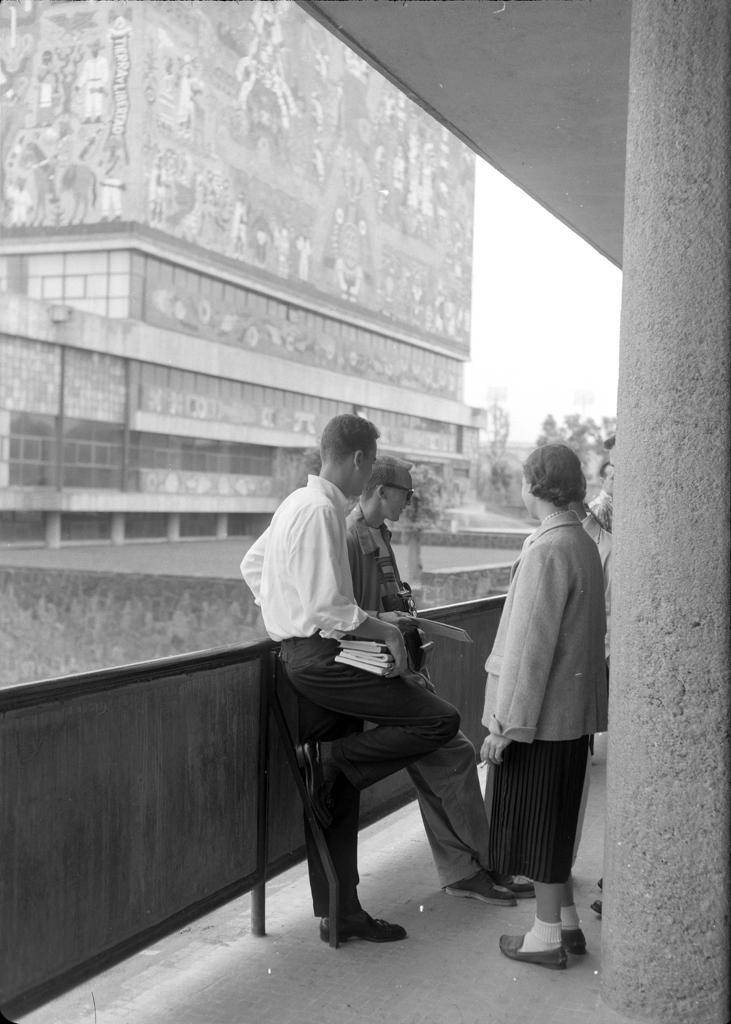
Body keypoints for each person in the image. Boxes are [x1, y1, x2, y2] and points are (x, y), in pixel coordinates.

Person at [240, 414, 461, 945]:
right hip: (321, 660)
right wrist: (384, 631)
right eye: (370, 465)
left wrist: (282, 613)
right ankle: (337, 761)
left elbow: (251, 564)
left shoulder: (297, 503)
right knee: (440, 719)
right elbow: (329, 606)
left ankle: (341, 911)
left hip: (304, 657)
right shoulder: (319, 511)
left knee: (333, 792)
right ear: (360, 460)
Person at [345, 456, 526, 906]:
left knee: (439, 766)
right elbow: (342, 616)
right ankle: (480, 864)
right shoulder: (350, 537)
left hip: (400, 669)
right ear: (383, 490)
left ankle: (467, 868)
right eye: (406, 493)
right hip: (377, 676)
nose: (410, 501)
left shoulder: (377, 535)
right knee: (456, 754)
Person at [480, 443, 608, 970]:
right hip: (569, 715)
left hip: (538, 720)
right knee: (554, 823)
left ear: (535, 484)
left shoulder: (547, 548)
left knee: (537, 829)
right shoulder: (580, 542)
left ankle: (546, 935)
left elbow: (530, 649)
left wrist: (506, 727)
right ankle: (569, 925)